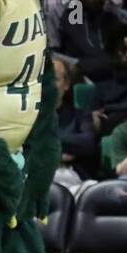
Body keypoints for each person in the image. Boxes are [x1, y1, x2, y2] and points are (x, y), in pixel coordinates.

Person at [53, 0, 127, 82]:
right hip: (76, 77)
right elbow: (52, 53)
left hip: (111, 77)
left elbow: (123, 52)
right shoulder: (59, 13)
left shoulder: (115, 15)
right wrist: (76, 63)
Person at [53, 56, 98, 186]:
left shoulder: (81, 115)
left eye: (55, 79)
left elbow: (88, 144)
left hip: (72, 177)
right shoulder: (27, 116)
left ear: (66, 84)